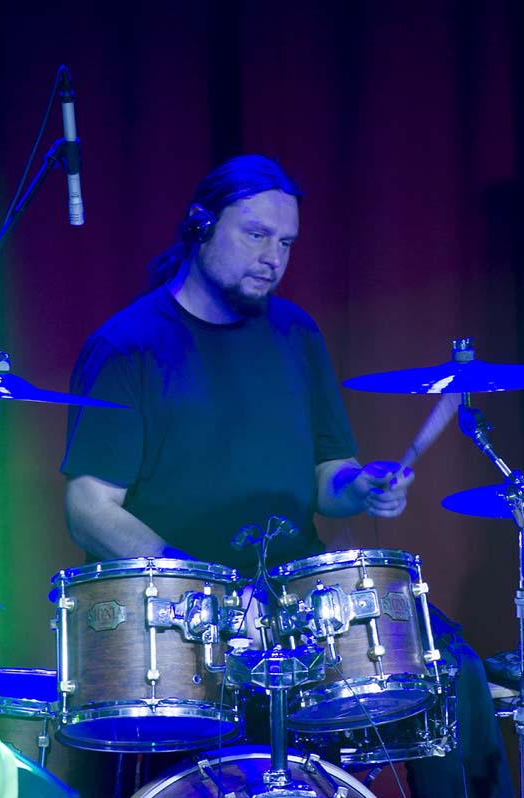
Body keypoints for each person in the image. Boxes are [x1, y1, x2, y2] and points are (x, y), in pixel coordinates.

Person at [61, 155, 512, 797]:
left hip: (297, 601)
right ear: (201, 226)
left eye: (286, 243)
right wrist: (207, 591)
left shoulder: (296, 333)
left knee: (452, 670)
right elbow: (89, 507)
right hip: (182, 616)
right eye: (256, 235)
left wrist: (361, 486)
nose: (272, 257)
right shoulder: (127, 347)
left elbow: (329, 473)